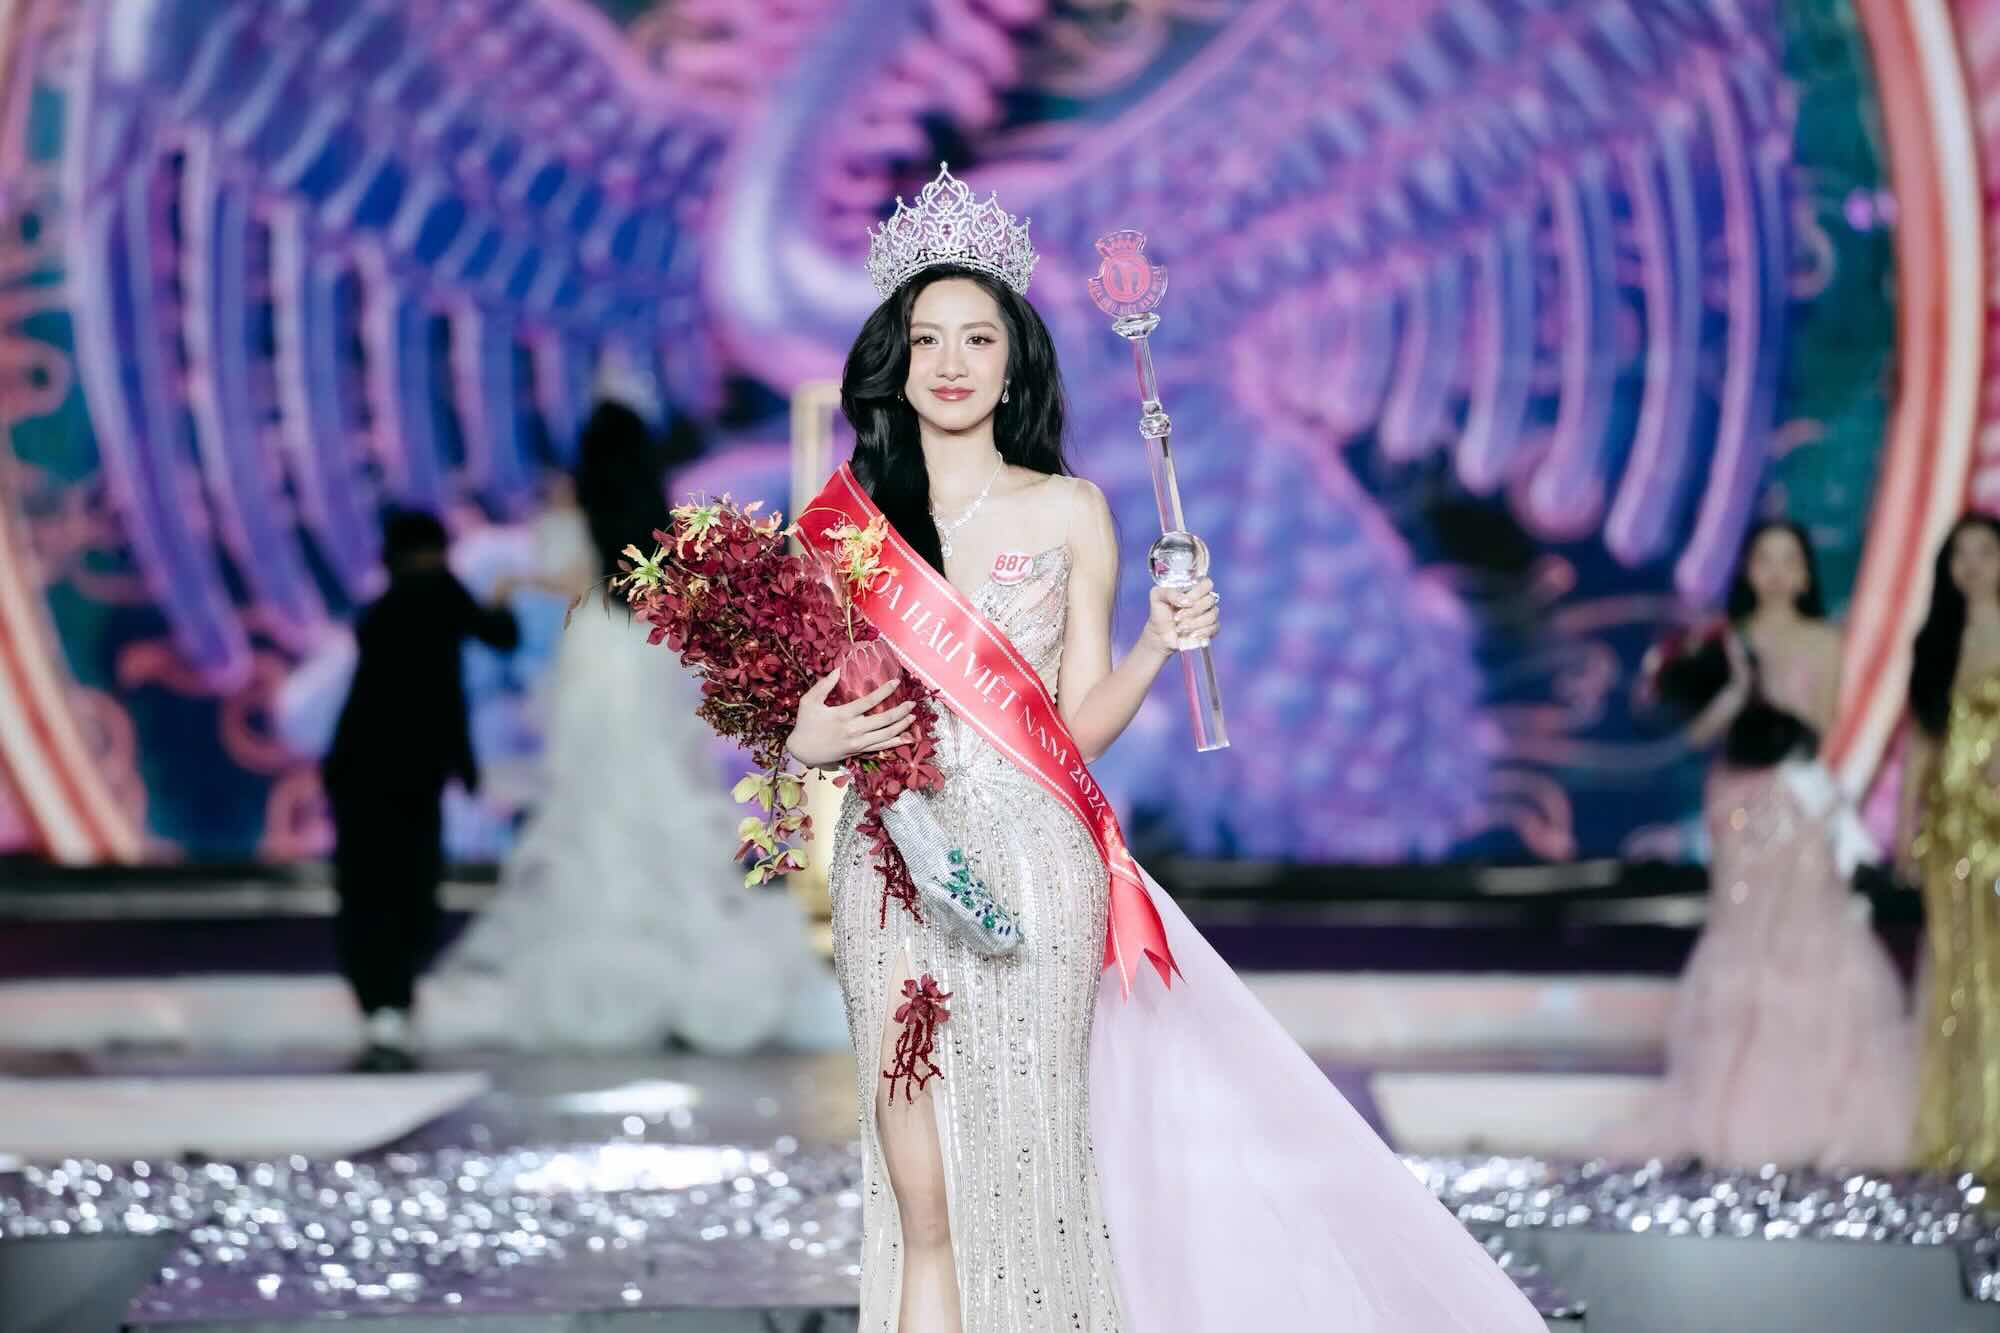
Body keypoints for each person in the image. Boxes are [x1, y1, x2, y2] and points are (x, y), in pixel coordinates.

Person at [785, 165, 1544, 1331]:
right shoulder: (845, 527)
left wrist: (1153, 645)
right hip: (893, 866)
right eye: (925, 337)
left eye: (977, 337)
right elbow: (809, 707)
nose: (949, 361)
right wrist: (808, 737)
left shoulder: (1069, 508)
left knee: (1026, 1165)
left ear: (1011, 359)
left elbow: (1071, 721)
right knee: (917, 1186)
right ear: (891, 358)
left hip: (1034, 863)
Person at [425, 400, 842, 1054]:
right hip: (643, 653)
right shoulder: (659, 517)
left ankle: (608, 976)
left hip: (595, 651)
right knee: (659, 792)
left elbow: (571, 578)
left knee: (593, 798)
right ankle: (681, 975)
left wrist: (516, 582)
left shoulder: (573, 506)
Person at [1609, 519, 1911, 1169]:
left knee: (1806, 936)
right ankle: (1728, 1112)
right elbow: (1698, 736)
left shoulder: (1825, 640)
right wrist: (1735, 696)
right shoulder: (1724, 641)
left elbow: (1823, 727)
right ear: (1748, 569)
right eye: (1764, 559)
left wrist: (1777, 730)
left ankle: (1813, 1115)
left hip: (1796, 797)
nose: (1776, 572)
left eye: (1789, 560)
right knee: (1742, 939)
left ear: (1805, 573)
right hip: (1737, 802)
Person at [323, 508, 521, 1073]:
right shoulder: (437, 593)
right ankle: (390, 1005)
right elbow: (497, 639)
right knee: (403, 889)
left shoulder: (390, 603)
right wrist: (501, 599)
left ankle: (383, 1007)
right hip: (401, 774)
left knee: (369, 891)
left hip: (365, 770)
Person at [1905, 513, 2000, 1178]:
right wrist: (1906, 825)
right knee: (1956, 977)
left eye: (1985, 551)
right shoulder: (1936, 641)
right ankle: (1962, 1134)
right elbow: (1922, 743)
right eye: (1958, 554)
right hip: (1950, 828)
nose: (1971, 565)